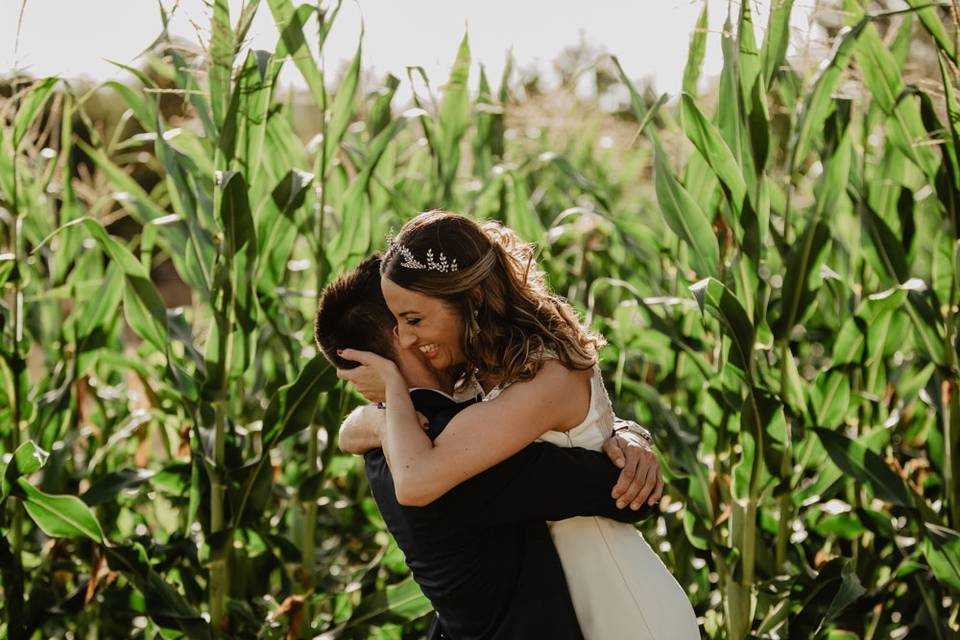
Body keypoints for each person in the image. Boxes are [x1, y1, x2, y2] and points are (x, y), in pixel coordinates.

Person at [337, 211, 700, 640]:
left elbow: (417, 480)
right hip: (557, 606)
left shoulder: (546, 374)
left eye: (414, 320)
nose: (407, 339)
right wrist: (380, 421)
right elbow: (348, 435)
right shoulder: (474, 367)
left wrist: (392, 393)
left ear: (471, 299)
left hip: (615, 599)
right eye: (397, 322)